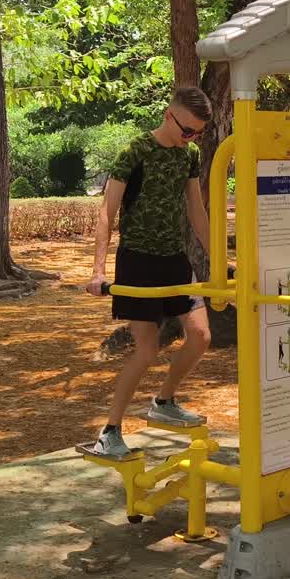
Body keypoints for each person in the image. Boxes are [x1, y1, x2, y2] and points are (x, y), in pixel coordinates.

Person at [82, 87, 215, 458]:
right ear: (169, 115)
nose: (192, 138)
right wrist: (97, 271)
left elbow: (196, 212)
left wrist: (217, 259)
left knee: (201, 336)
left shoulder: (189, 156)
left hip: (175, 260)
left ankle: (164, 401)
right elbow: (107, 211)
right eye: (187, 130)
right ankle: (110, 432)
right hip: (138, 261)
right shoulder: (136, 151)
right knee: (147, 349)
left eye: (199, 133)